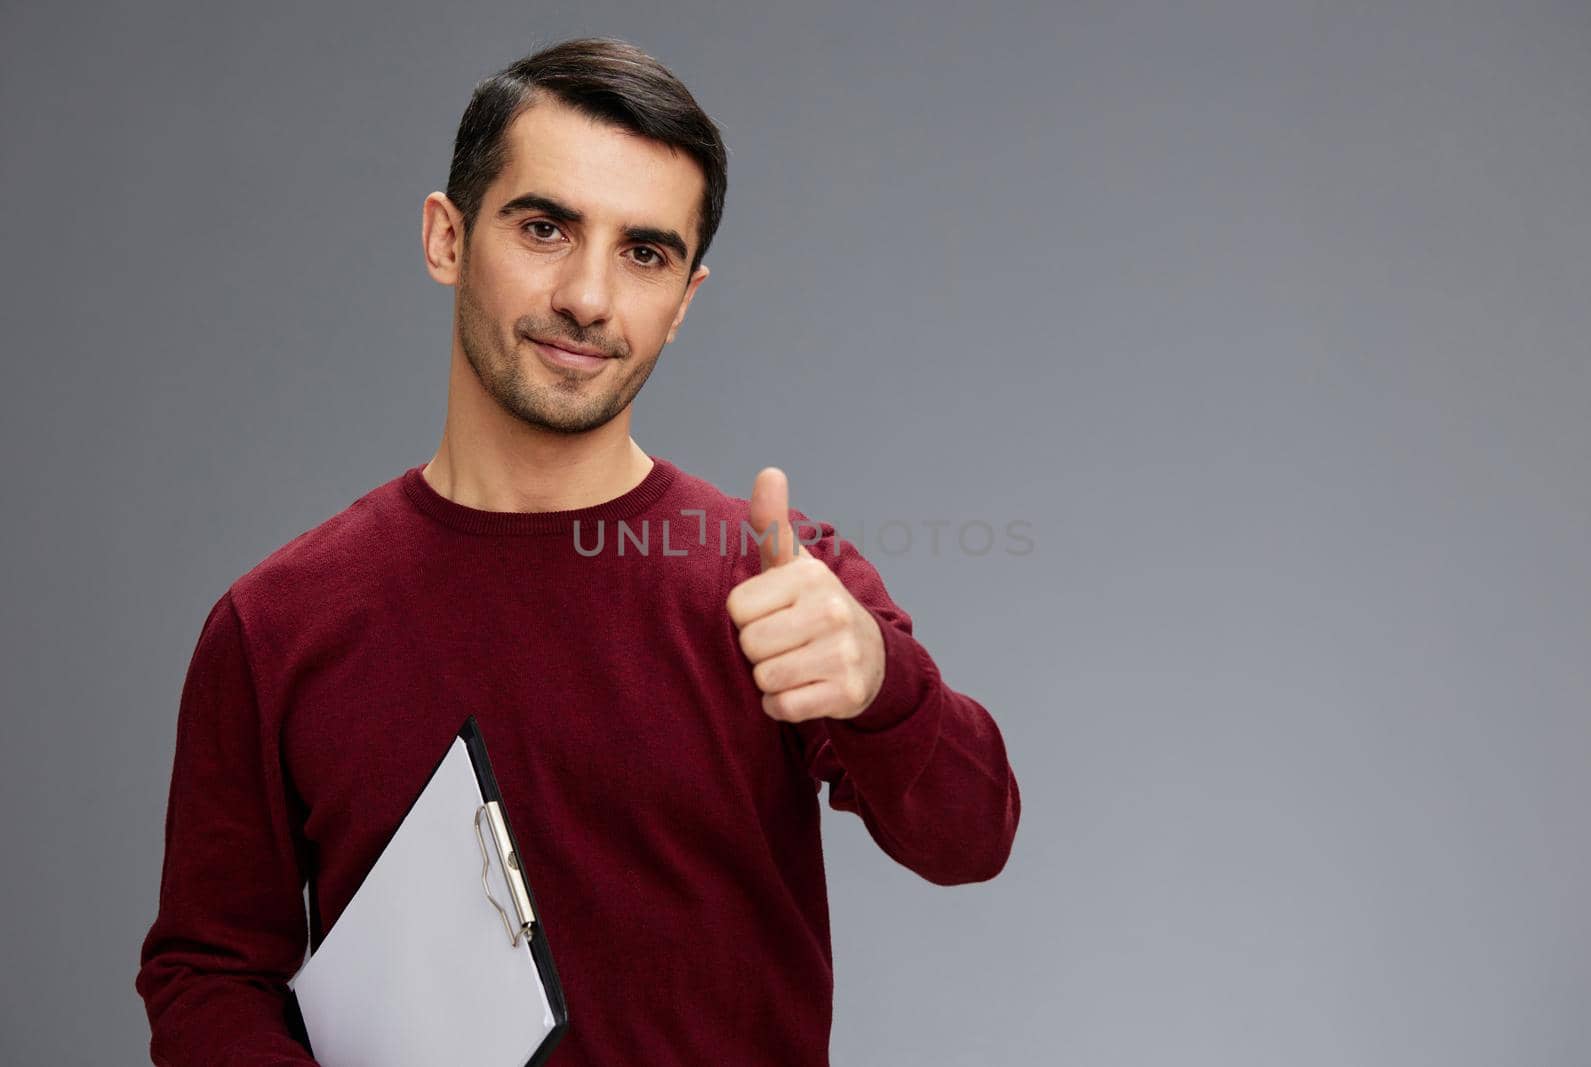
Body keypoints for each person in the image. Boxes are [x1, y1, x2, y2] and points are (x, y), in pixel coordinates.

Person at [134, 35, 1021, 1066]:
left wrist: (881, 682)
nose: (589, 298)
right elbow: (206, 973)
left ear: (684, 299)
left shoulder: (781, 586)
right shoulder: (276, 623)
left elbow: (972, 836)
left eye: (643, 252)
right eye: (546, 227)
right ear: (446, 238)